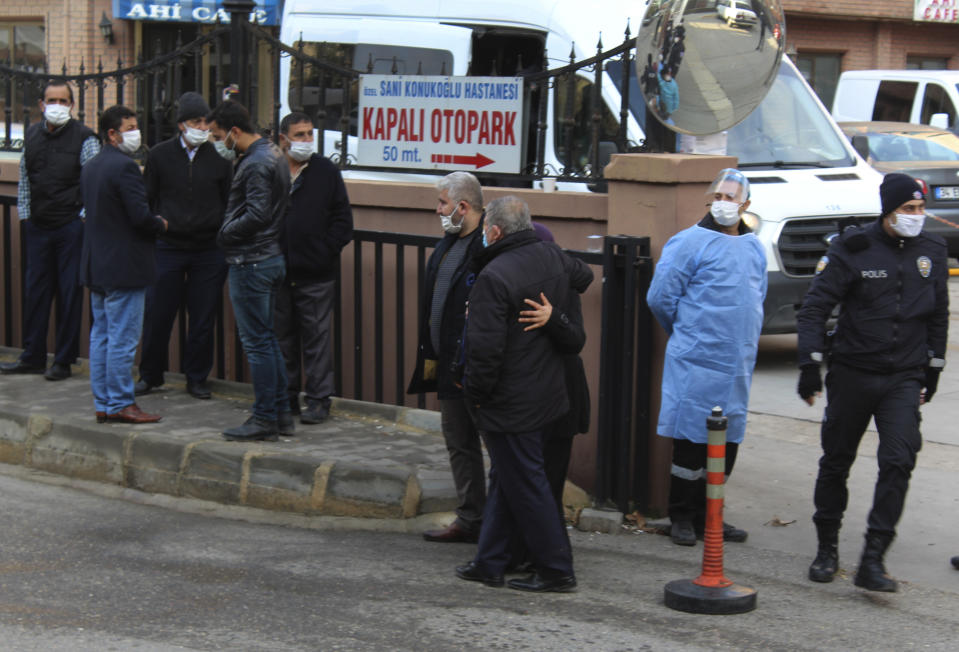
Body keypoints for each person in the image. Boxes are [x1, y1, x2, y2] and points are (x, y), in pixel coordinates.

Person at [797, 173, 948, 592]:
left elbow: (938, 315)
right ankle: (827, 548)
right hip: (853, 372)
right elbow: (814, 309)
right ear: (889, 211)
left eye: (920, 209)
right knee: (836, 461)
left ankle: (873, 558)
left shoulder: (932, 250)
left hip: (903, 376)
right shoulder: (852, 247)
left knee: (899, 460)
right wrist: (809, 365)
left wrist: (933, 368)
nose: (917, 217)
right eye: (908, 210)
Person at [454, 196, 591, 593]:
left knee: (526, 484)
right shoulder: (550, 256)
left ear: (494, 231)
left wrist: (476, 398)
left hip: (511, 401)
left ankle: (555, 569)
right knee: (508, 478)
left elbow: (485, 352)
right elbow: (582, 275)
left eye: (484, 230)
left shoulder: (494, 277)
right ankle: (490, 561)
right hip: (544, 395)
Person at [647, 168, 766, 547]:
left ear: (745, 204)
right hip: (697, 361)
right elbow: (660, 297)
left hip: (736, 366)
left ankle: (710, 514)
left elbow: (755, 300)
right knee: (691, 443)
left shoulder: (753, 248)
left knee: (727, 441)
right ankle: (682, 514)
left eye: (731, 198)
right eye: (718, 196)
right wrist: (688, 332)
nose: (723, 204)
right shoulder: (689, 243)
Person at [135, 92, 233, 400]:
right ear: (181, 125)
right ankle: (150, 375)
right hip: (168, 246)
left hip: (208, 249)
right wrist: (157, 226)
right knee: (158, 314)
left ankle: (197, 378)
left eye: (206, 121)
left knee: (202, 317)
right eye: (195, 121)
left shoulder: (219, 156)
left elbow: (229, 198)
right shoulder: (161, 155)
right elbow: (148, 198)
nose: (202, 127)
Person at [408, 171, 487, 543]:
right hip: (447, 365)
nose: (438, 210)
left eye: (442, 203)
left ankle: (499, 523)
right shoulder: (448, 243)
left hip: (476, 367)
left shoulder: (487, 245)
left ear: (463, 206)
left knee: (497, 445)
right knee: (458, 442)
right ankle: (471, 519)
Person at [206, 100, 292, 442]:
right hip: (267, 257)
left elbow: (256, 213)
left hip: (251, 261)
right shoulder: (273, 154)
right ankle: (280, 414)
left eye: (216, 134)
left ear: (234, 131)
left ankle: (265, 417)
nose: (215, 140)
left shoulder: (256, 163)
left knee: (257, 343)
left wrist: (224, 232)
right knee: (267, 340)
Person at [2, 81, 99, 380]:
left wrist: (81, 219)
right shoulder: (31, 134)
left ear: (71, 104)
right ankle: (32, 356)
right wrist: (27, 219)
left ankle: (63, 360)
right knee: (36, 293)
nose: (57, 105)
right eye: (51, 100)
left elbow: (93, 182)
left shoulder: (85, 137)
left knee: (69, 295)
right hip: (39, 227)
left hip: (70, 227)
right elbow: (25, 178)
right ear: (42, 104)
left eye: (63, 100)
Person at [79, 105, 167, 423]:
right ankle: (120, 402)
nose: (135, 133)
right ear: (112, 134)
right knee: (122, 337)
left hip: (97, 264)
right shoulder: (125, 167)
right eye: (129, 127)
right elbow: (140, 217)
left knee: (102, 334)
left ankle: (104, 402)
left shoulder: (91, 166)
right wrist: (162, 224)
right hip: (124, 266)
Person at [274, 112, 354, 424]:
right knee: (283, 340)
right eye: (300, 135)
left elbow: (342, 221)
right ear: (284, 139)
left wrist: (322, 252)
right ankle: (287, 398)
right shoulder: (272, 168)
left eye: (310, 134)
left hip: (315, 273)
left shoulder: (325, 171)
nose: (307, 140)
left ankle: (319, 401)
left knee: (317, 340)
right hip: (278, 272)